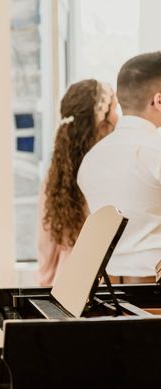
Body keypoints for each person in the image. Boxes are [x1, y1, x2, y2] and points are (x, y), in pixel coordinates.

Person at [78, 52, 161, 284]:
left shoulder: (91, 159)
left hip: (105, 291)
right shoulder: (155, 153)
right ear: (158, 101)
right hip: (152, 291)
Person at [37, 79, 117, 286]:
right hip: (104, 288)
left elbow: (46, 248)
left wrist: (46, 288)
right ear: (101, 123)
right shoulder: (108, 170)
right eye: (115, 109)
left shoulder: (56, 174)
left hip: (66, 287)